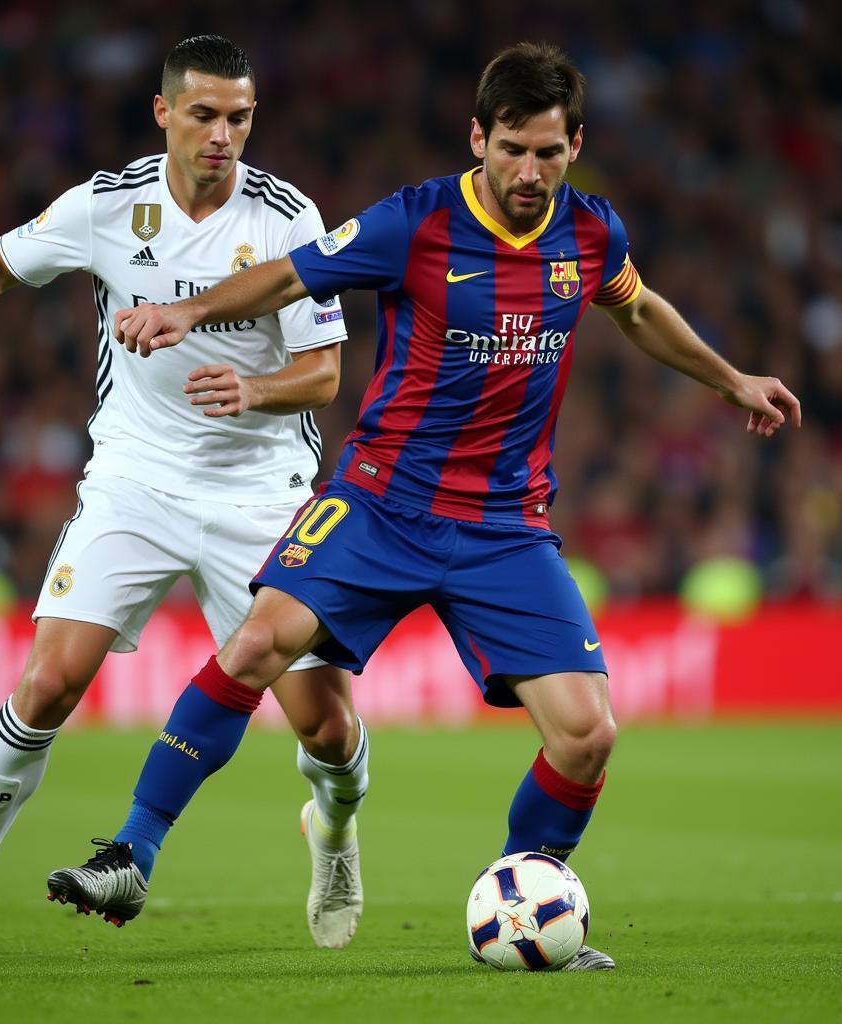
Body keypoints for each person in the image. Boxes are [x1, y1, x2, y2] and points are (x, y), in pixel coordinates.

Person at [52, 40, 803, 970]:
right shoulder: (416, 222)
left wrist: (731, 380)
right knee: (255, 642)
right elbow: (293, 273)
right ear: (478, 137)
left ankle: (527, 900)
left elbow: (638, 308)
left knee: (587, 734)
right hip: (380, 503)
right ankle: (134, 849)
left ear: (577, 146)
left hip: (505, 528)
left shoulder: (592, 233)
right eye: (513, 149)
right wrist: (189, 312)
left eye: (550, 153)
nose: (529, 173)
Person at [0, 35, 370, 957]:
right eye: (205, 115)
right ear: (165, 113)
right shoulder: (109, 206)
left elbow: (323, 374)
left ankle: (334, 833)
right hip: (137, 478)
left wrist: (253, 390)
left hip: (262, 490)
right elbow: (2, 256)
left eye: (240, 117)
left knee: (329, 726)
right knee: (48, 682)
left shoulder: (289, 219)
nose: (224, 135)